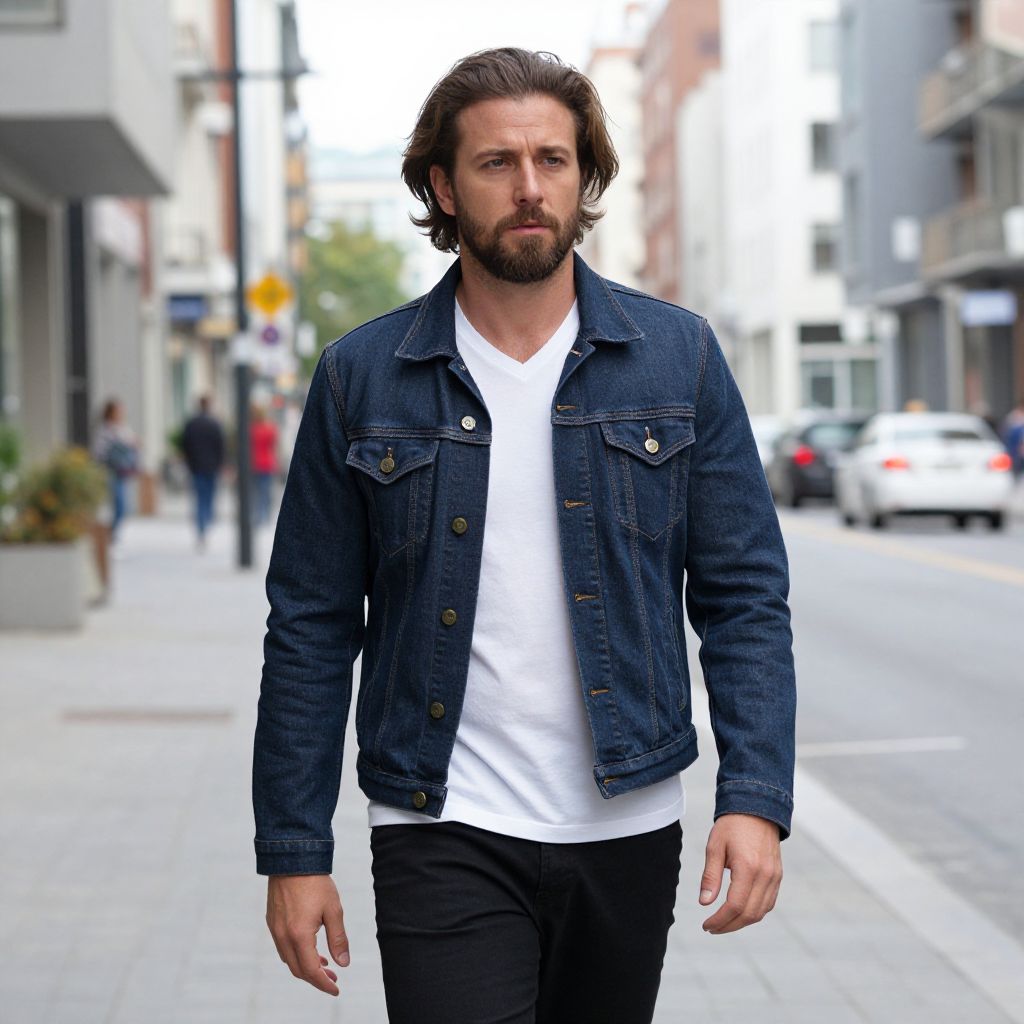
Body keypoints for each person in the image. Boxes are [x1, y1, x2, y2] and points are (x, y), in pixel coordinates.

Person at [253, 48, 796, 1024]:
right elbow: (309, 625)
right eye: (497, 163)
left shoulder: (678, 360)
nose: (530, 186)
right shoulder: (360, 378)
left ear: (583, 177)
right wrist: (293, 851)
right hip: (439, 818)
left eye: (553, 158)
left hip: (627, 819)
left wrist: (753, 798)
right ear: (442, 186)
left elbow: (744, 600)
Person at [180, 394, 226, 550]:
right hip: (211, 466)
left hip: (196, 466)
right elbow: (221, 446)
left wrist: (189, 462)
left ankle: (201, 527)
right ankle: (206, 522)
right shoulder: (214, 424)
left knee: (199, 497)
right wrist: (222, 464)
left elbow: (185, 445)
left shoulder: (191, 423)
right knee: (209, 496)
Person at [92, 398, 138, 544]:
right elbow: (98, 452)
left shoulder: (124, 428)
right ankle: (109, 533)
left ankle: (113, 532)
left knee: (123, 505)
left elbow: (134, 444)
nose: (121, 413)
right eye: (118, 411)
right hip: (109, 471)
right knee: (115, 503)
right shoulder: (104, 430)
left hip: (122, 471)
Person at [249, 404, 279, 526]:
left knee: (256, 491)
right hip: (267, 463)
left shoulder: (251, 430)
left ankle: (258, 514)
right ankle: (265, 514)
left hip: (254, 463)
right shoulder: (270, 429)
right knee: (266, 491)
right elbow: (274, 447)